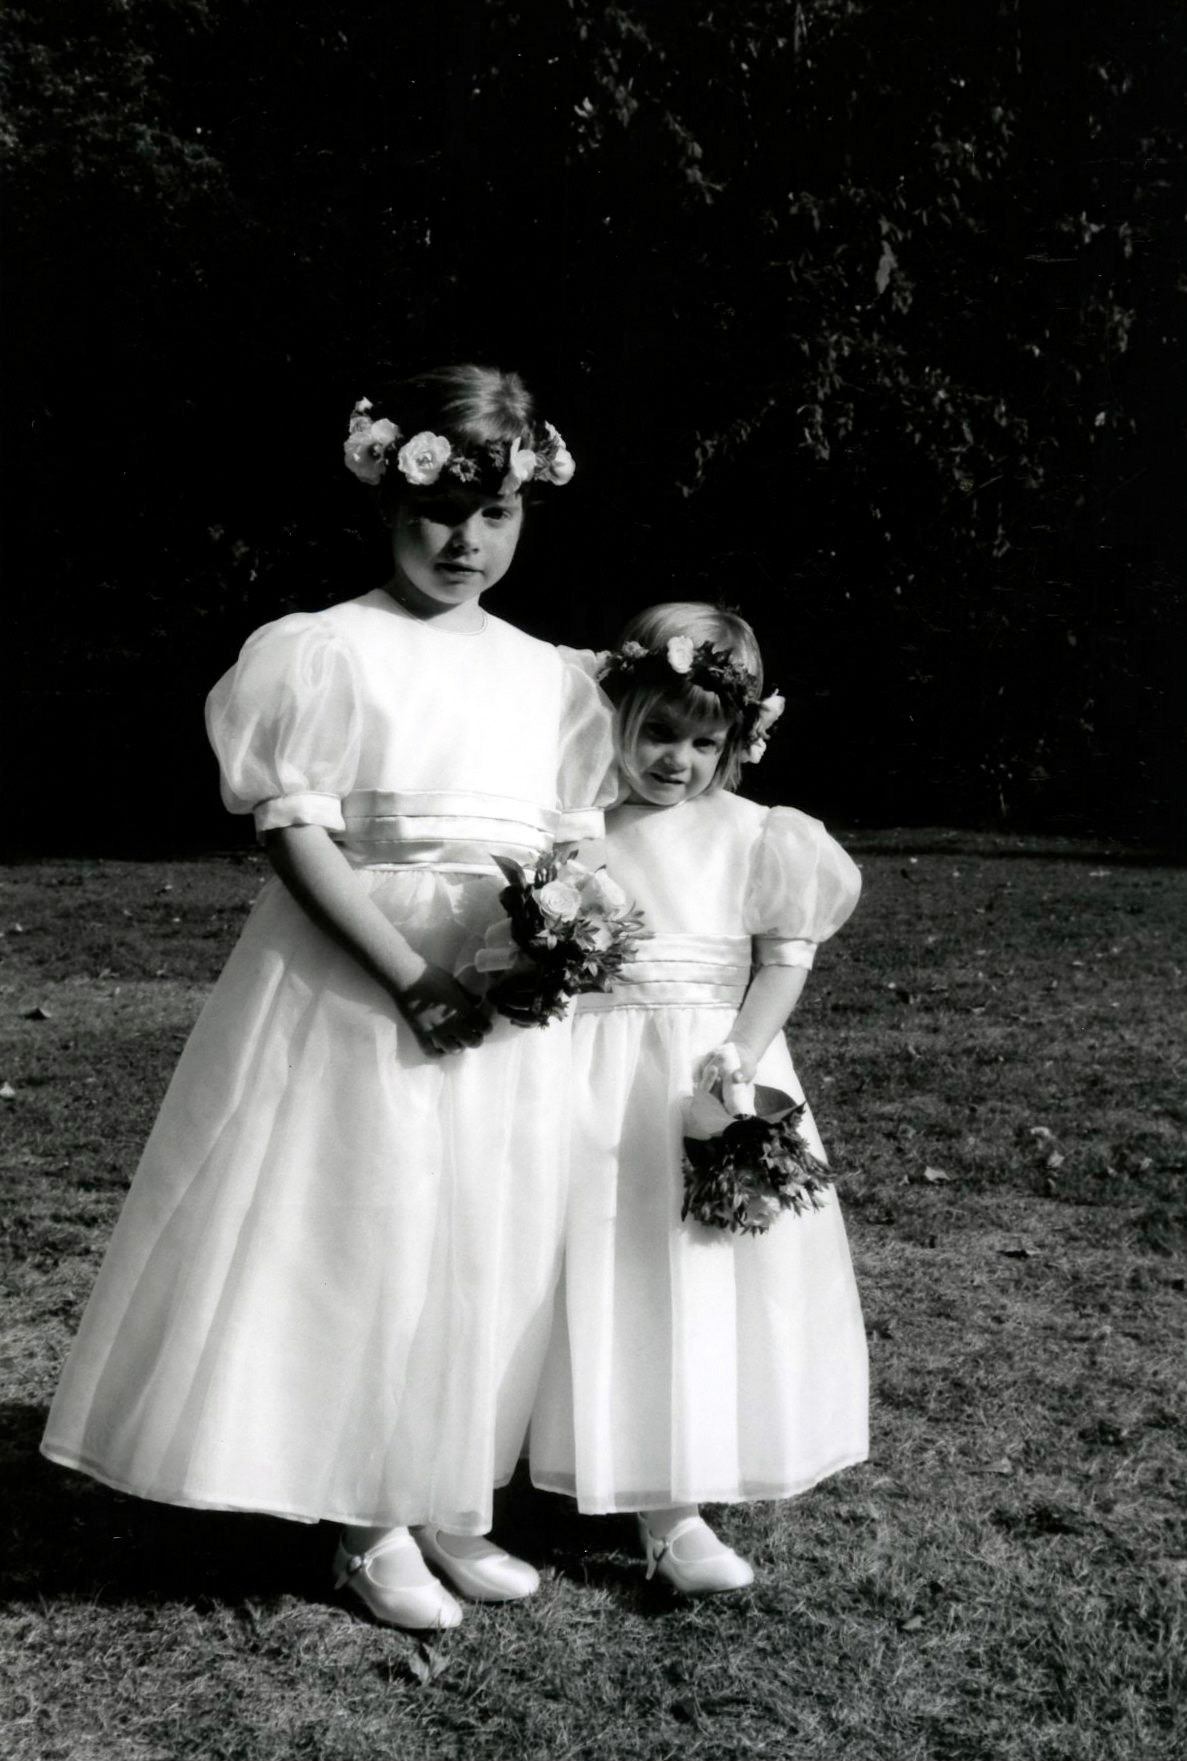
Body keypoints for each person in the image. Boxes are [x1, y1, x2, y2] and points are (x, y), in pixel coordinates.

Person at [41, 365, 614, 1631]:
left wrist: (562, 945)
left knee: (492, 1235)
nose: (466, 542)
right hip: (363, 974)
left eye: (497, 515)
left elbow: (572, 846)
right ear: (385, 499)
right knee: (378, 1225)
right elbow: (295, 833)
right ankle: (366, 1515)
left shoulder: (553, 680)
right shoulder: (323, 651)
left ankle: (451, 1489)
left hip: (504, 989)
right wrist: (408, 976)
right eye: (440, 511)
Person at [530, 603, 867, 1594]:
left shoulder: (761, 836)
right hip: (589, 1072)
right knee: (589, 1258)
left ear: (738, 741)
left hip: (701, 1069)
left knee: (689, 1266)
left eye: (703, 742)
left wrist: (740, 1049)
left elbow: (782, 960)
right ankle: (557, 1445)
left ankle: (672, 1505)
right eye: (656, 733)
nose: (676, 759)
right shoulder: (574, 828)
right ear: (615, 716)